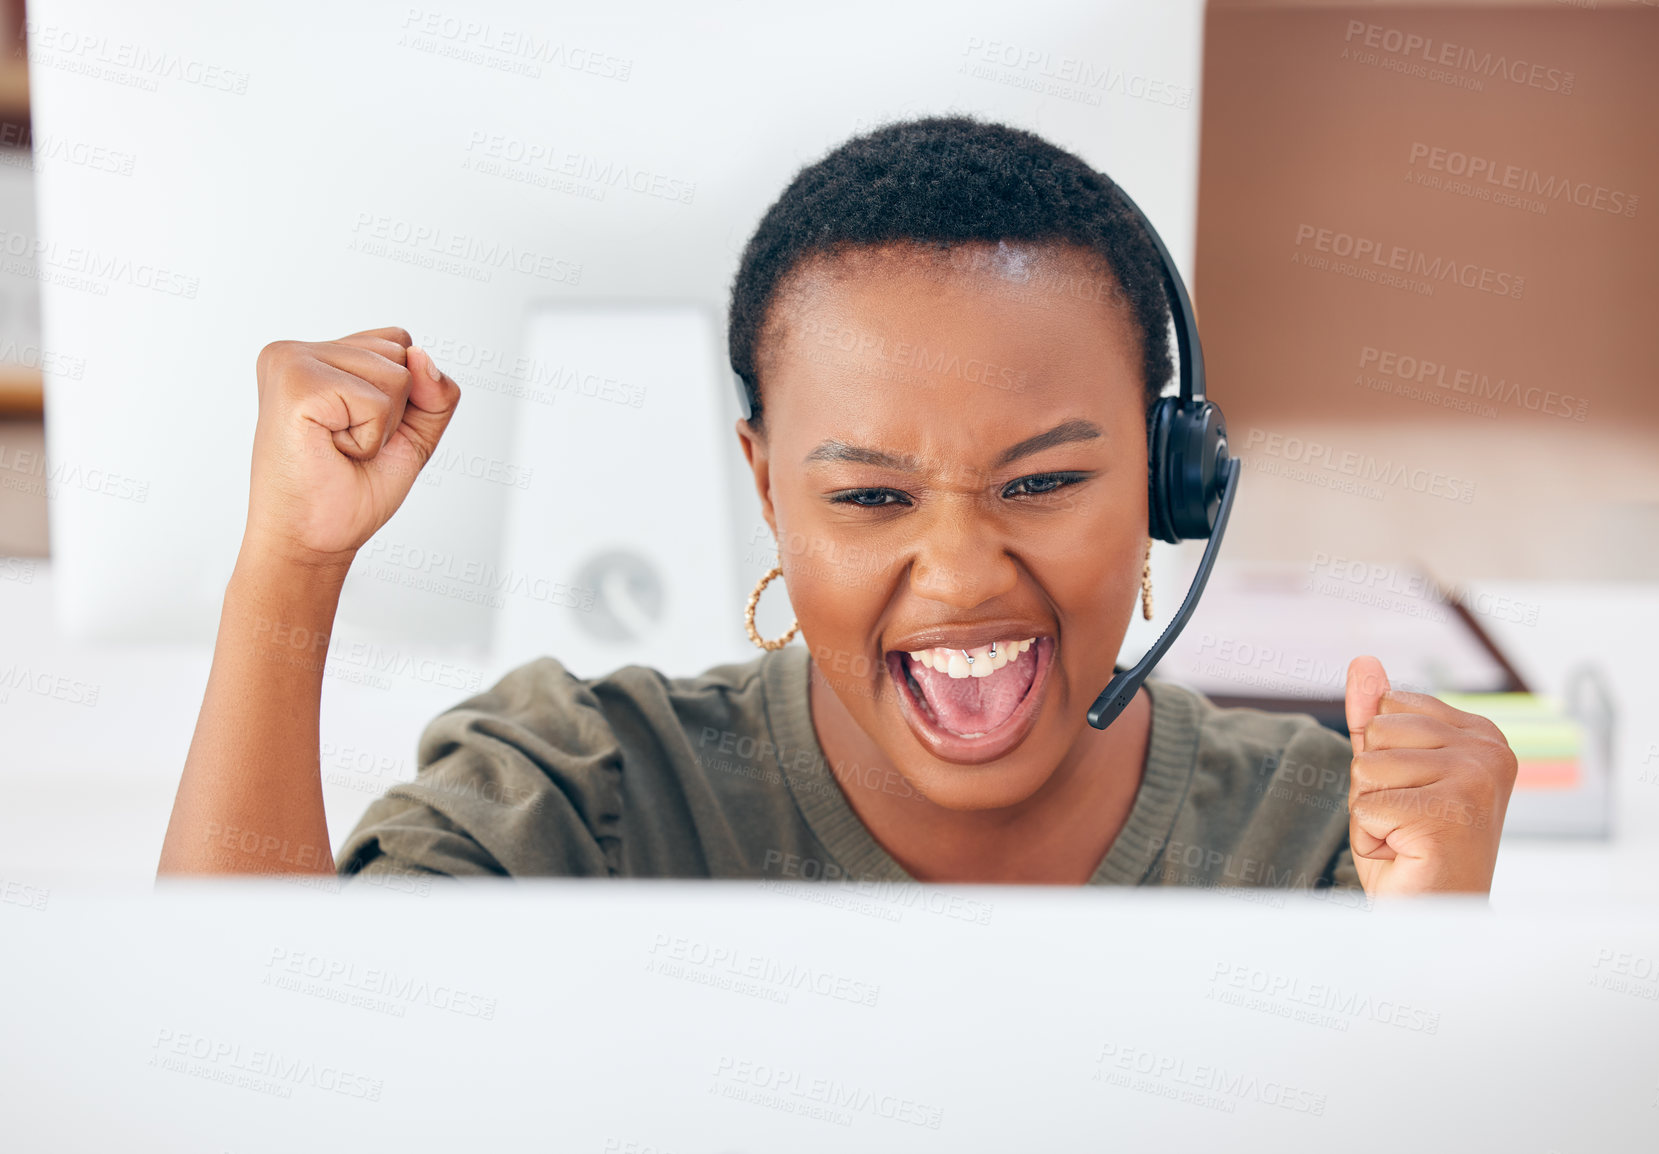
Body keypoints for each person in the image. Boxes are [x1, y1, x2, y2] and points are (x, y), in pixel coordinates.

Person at [158, 116, 1517, 896]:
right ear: (764, 481)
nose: (959, 570)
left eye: (1043, 481)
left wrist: (1433, 964)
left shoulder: (1326, 841)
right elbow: (235, 1071)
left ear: (1171, 487)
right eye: (870, 493)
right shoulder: (586, 791)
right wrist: (290, 567)